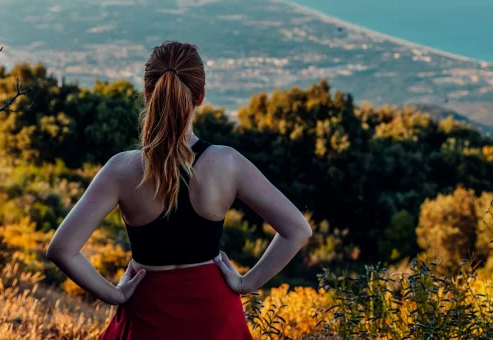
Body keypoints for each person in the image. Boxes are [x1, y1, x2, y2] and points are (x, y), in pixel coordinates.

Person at [46, 40, 313, 340]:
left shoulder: (120, 170)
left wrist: (115, 294)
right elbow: (297, 230)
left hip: (147, 317)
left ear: (148, 94)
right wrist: (246, 283)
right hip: (215, 319)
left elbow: (61, 249)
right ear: (200, 97)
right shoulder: (228, 163)